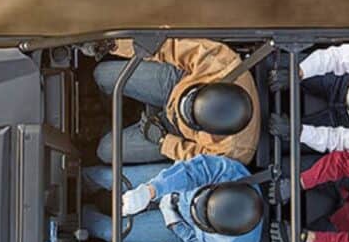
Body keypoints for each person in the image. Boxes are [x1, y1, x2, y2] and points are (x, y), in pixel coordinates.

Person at [93, 37, 260, 164]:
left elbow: (199, 160)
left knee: (106, 150)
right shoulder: (221, 65)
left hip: (176, 133)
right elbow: (168, 46)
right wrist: (114, 45)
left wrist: (164, 141)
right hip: (180, 83)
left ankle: (107, 124)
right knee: (101, 74)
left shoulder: (234, 151)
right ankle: (111, 108)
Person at [81, 154, 264, 242]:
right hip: (178, 185)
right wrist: (151, 191)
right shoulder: (233, 176)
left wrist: (173, 220)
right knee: (106, 176)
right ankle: (78, 179)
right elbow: (194, 170)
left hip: (181, 224)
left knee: (110, 231)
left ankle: (81, 218)